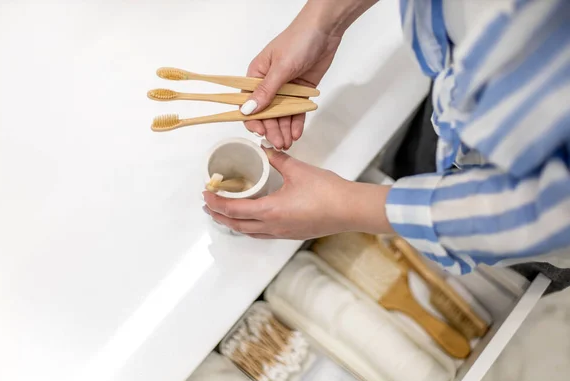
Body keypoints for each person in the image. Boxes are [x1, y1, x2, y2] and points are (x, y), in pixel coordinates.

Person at [203, 0, 570, 276]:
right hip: (456, 114)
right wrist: (323, 21)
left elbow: (553, 210)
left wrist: (349, 206)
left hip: (505, 221)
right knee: (420, 156)